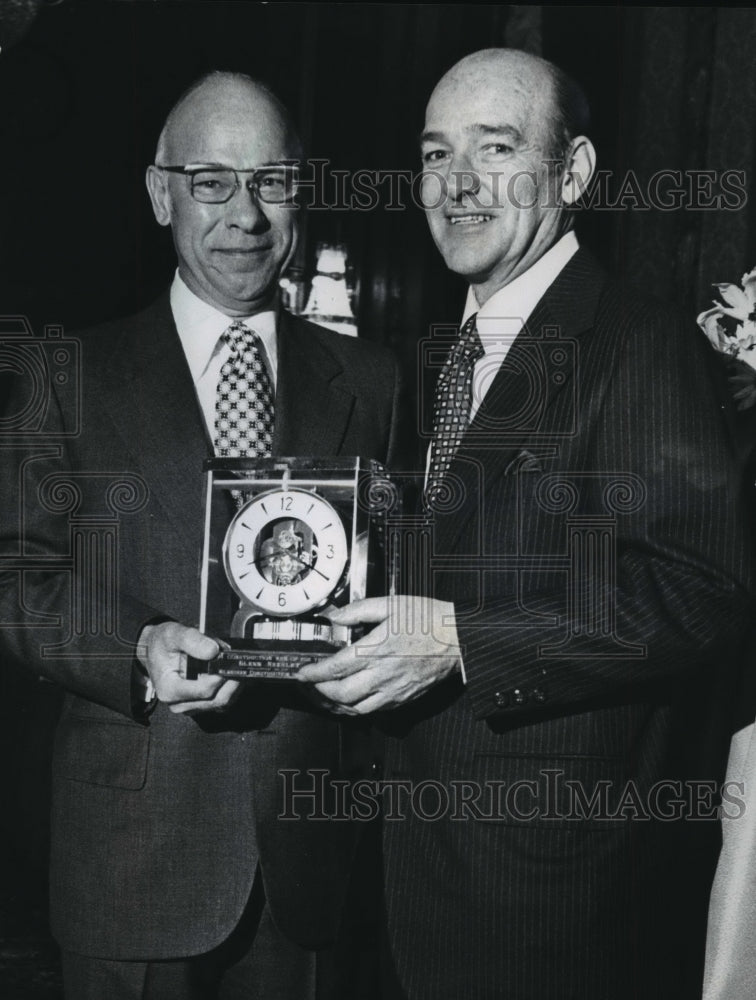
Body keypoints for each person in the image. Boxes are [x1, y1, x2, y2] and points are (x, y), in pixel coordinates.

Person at [298, 48, 754, 999]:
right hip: (421, 866)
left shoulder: (638, 342)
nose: (456, 184)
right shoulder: (440, 352)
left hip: (557, 897)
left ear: (574, 173)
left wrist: (464, 644)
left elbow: (702, 587)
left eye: (495, 148)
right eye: (434, 154)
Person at [0, 71, 402, 999]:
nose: (245, 215)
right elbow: (17, 574)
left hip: (310, 856)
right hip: (129, 855)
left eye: (272, 180)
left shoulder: (372, 381)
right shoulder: (69, 376)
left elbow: (398, 574)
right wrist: (135, 646)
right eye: (211, 181)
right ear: (160, 193)